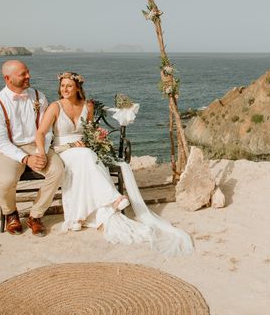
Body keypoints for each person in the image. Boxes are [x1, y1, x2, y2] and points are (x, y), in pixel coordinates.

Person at [35, 72, 193, 255]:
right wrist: (41, 153)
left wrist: (90, 141)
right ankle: (113, 198)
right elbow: (40, 133)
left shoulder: (88, 106)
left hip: (83, 150)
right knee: (87, 156)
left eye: (69, 86)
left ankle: (78, 217)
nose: (65, 89)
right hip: (63, 151)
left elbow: (88, 132)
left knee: (87, 156)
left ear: (78, 88)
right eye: (62, 86)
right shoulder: (55, 107)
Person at [0, 60, 64, 236]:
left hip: (38, 145)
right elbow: (0, 141)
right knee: (6, 181)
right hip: (9, 149)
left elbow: (47, 129)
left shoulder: (39, 97)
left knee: (58, 170)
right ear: (8, 78)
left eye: (28, 72)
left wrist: (41, 151)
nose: (28, 76)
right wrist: (26, 159)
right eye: (23, 74)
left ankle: (35, 215)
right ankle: (11, 214)